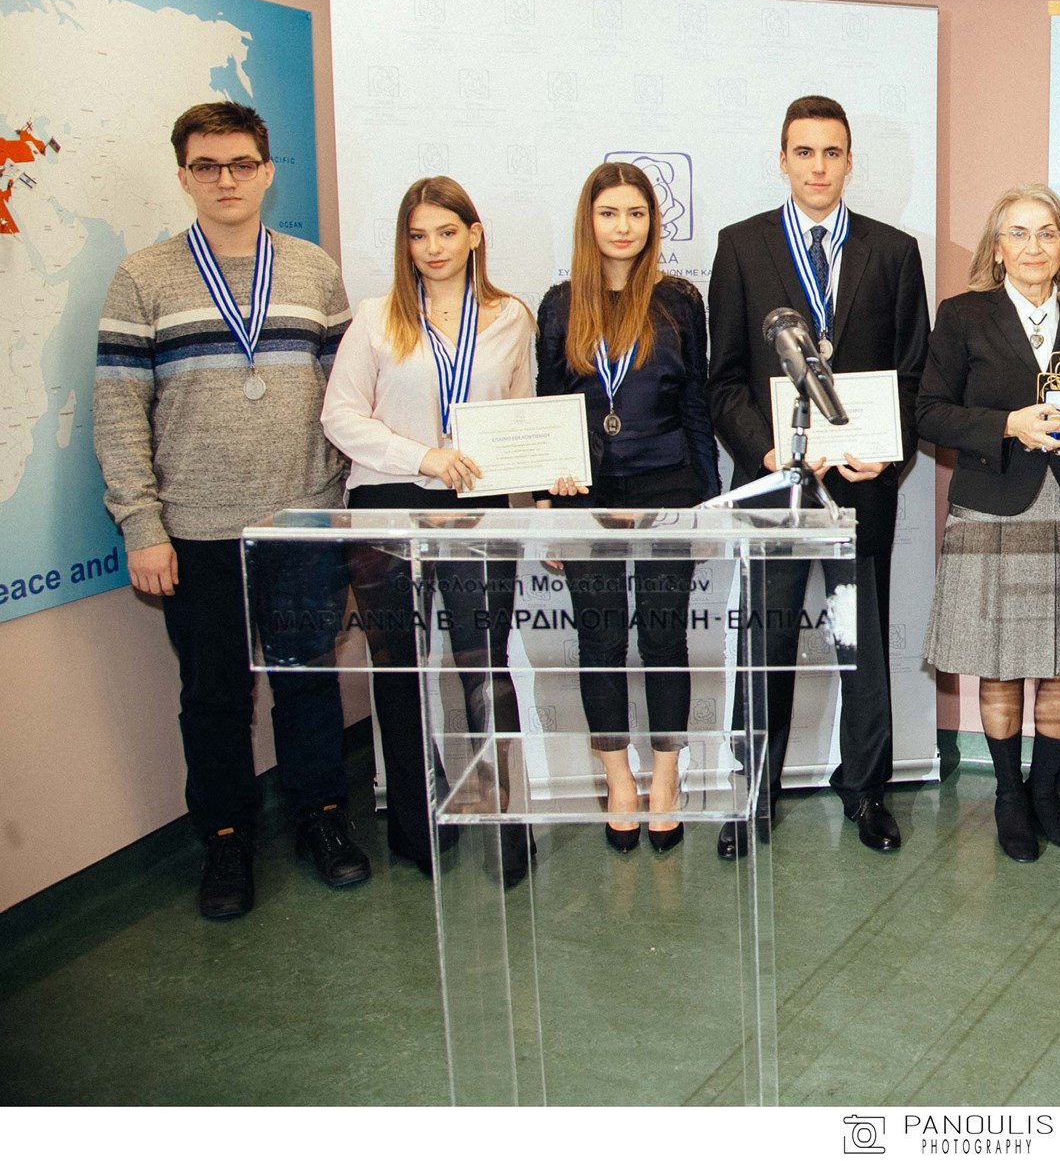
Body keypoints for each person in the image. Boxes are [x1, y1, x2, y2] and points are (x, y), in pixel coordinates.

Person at [94, 101, 367, 919]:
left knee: (308, 683)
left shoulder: (313, 270)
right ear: (184, 177)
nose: (226, 180)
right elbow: (118, 411)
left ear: (266, 172)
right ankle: (225, 839)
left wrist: (341, 510)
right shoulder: (143, 278)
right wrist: (143, 526)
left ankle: (322, 819)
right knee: (213, 697)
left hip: (302, 523)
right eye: (207, 166)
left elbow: (346, 399)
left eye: (241, 164)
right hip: (195, 531)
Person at [707, 95, 929, 857]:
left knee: (859, 645)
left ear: (850, 161)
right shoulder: (741, 247)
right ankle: (754, 794)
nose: (818, 166)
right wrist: (768, 453)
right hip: (776, 489)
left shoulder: (893, 252)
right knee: (764, 645)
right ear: (783, 160)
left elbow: (912, 376)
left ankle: (864, 789)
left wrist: (888, 450)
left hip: (860, 489)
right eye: (804, 152)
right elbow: (723, 381)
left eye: (832, 152)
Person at [321, 175, 537, 882]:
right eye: (418, 236)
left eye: (446, 232)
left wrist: (538, 489)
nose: (433, 247)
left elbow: (520, 416)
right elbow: (339, 415)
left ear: (474, 235)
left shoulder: (511, 317)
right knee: (400, 670)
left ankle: (509, 824)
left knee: (485, 667)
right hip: (387, 502)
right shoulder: (376, 318)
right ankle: (418, 829)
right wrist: (423, 458)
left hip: (479, 506)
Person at [919, 185, 1060, 863]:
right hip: (994, 507)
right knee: (1000, 666)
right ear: (998, 248)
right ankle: (1009, 797)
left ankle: (1045, 794)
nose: (1033, 246)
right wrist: (1008, 424)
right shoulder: (963, 316)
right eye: (1019, 233)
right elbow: (929, 412)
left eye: (1047, 234)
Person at [537, 161, 720, 854]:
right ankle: (617, 779)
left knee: (665, 637)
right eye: (610, 213)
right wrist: (549, 507)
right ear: (589, 222)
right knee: (602, 639)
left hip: (668, 487)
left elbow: (697, 403)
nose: (623, 227)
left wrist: (706, 501)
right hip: (586, 493)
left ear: (652, 222)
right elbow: (549, 407)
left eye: (636, 214)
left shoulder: (679, 300)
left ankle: (665, 778)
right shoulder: (560, 305)